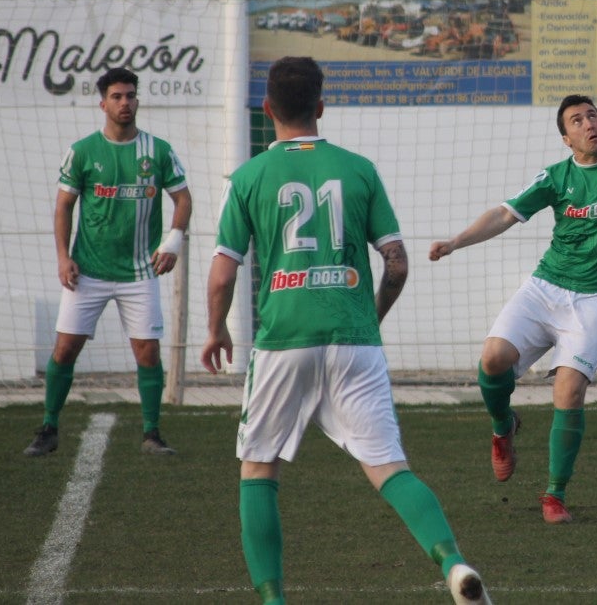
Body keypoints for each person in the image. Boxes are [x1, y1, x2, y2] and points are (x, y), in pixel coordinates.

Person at [201, 56, 490, 605]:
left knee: (258, 467)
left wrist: (216, 329)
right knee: (389, 468)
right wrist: (369, 316)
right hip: (355, 340)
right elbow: (399, 262)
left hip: (284, 339)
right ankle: (452, 564)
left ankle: (273, 600)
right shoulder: (359, 169)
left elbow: (222, 273)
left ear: (267, 111)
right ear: (321, 107)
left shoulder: (247, 177)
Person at [429, 95, 597, 524]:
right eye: (576, 120)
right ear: (566, 138)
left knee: (568, 390)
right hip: (545, 287)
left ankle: (554, 494)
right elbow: (504, 214)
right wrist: (456, 242)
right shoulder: (555, 177)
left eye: (592, 115)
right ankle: (502, 427)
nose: (589, 123)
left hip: (595, 299)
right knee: (492, 359)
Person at [24, 67, 192, 457]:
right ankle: (48, 428)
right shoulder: (82, 151)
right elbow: (64, 206)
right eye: (116, 97)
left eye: (130, 95)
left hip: (139, 273)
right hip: (88, 271)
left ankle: (152, 434)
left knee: (147, 352)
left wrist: (174, 240)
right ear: (103, 103)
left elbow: (183, 198)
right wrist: (63, 257)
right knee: (65, 349)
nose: (125, 103)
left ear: (137, 100)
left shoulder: (158, 151)